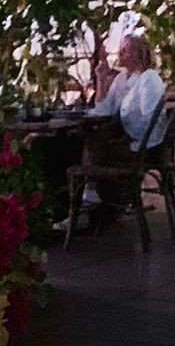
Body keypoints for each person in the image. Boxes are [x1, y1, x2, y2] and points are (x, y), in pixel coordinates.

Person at [70, 33, 166, 220]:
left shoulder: (149, 79)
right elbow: (104, 108)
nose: (120, 54)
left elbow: (149, 118)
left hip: (143, 146)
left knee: (94, 141)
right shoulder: (122, 78)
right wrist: (101, 79)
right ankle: (95, 199)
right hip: (125, 135)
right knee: (84, 137)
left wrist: (125, 131)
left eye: (125, 50)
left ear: (138, 54)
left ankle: (91, 199)